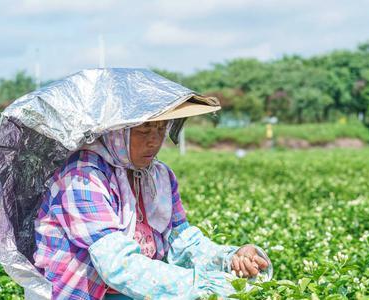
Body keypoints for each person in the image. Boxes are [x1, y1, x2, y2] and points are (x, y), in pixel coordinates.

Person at [33, 101, 271, 299]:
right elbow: (117, 265)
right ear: (116, 131)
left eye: (160, 129)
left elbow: (181, 241)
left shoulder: (159, 176)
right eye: (144, 130)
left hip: (140, 292)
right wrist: (204, 284)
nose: (154, 141)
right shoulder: (82, 177)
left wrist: (231, 258)